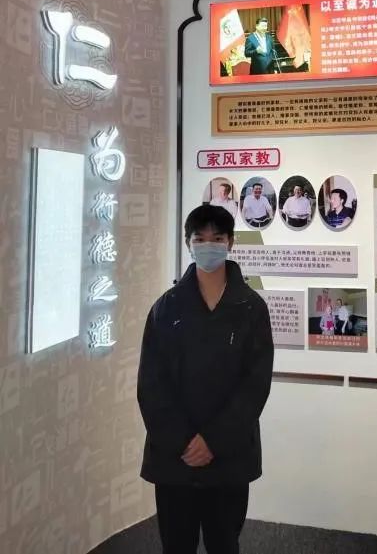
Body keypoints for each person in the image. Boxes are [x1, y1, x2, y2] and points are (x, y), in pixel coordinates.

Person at [137, 204, 274, 554]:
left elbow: (255, 384)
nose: (208, 246)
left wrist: (214, 440)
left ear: (230, 243)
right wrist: (184, 441)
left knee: (224, 542)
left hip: (229, 454)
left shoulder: (251, 307)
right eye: (200, 239)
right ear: (188, 243)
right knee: (176, 544)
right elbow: (151, 384)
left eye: (217, 238)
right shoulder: (166, 307)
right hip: (175, 456)